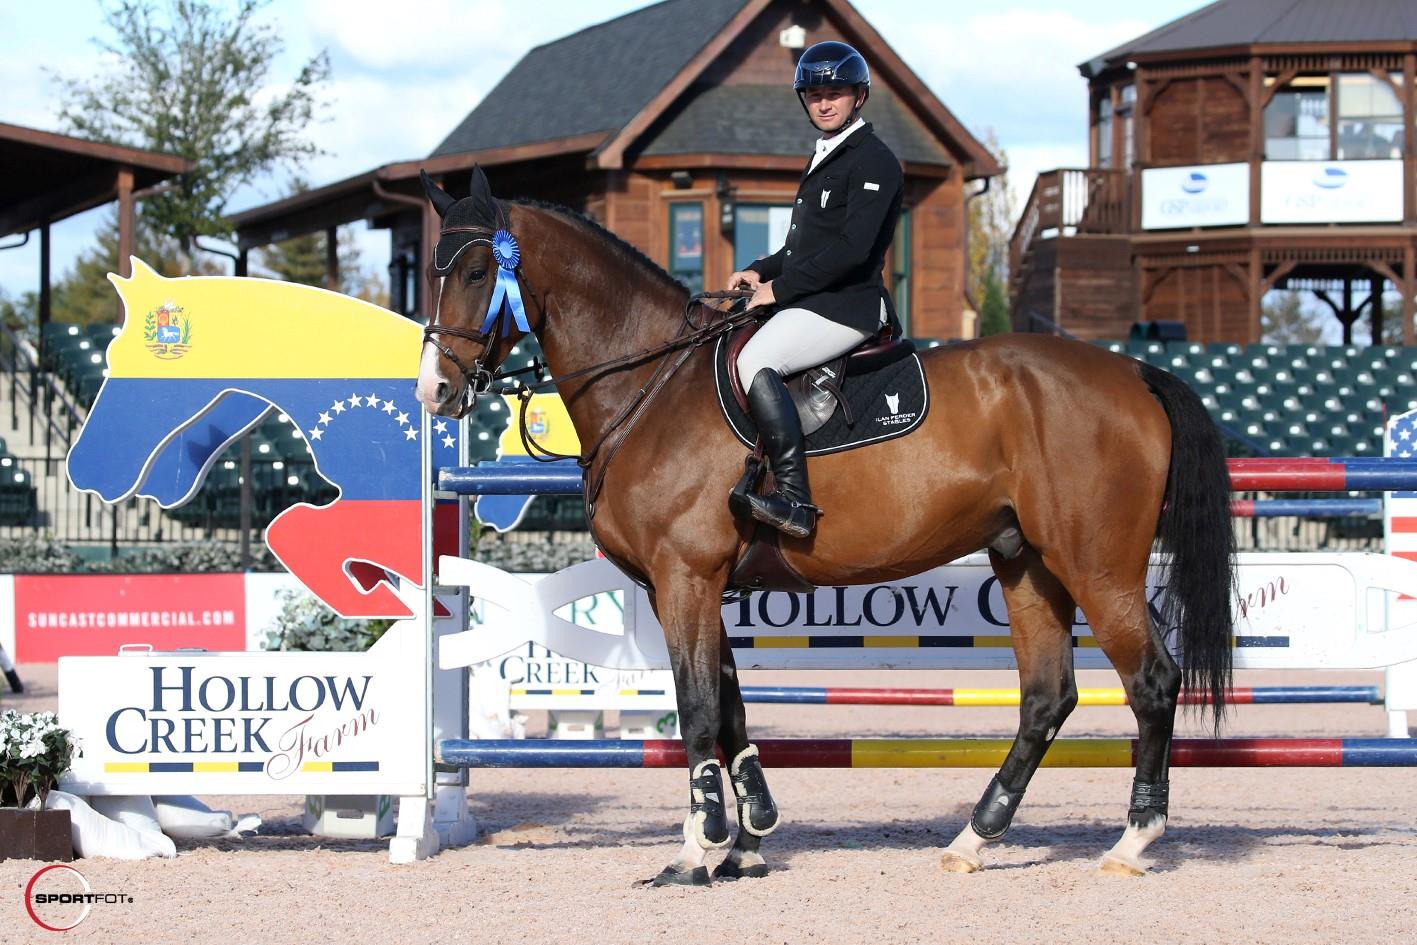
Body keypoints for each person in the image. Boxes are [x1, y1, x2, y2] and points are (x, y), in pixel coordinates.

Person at [726, 40, 904, 539]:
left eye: (837, 93)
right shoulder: (827, 155)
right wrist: (760, 270)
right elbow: (802, 247)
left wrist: (778, 292)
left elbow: (851, 251)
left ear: (859, 97)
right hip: (816, 298)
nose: (825, 103)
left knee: (754, 362)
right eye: (815, 94)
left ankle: (795, 500)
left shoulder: (873, 161)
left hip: (848, 306)